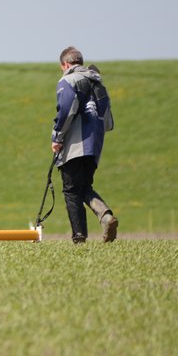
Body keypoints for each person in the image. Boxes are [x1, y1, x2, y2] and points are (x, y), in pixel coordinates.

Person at [50, 46, 118, 243]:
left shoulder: (67, 80)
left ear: (65, 64)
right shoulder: (98, 83)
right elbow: (108, 121)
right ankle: (105, 216)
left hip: (75, 144)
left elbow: (65, 110)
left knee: (71, 190)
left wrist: (57, 137)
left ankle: (79, 238)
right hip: (94, 145)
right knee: (83, 186)